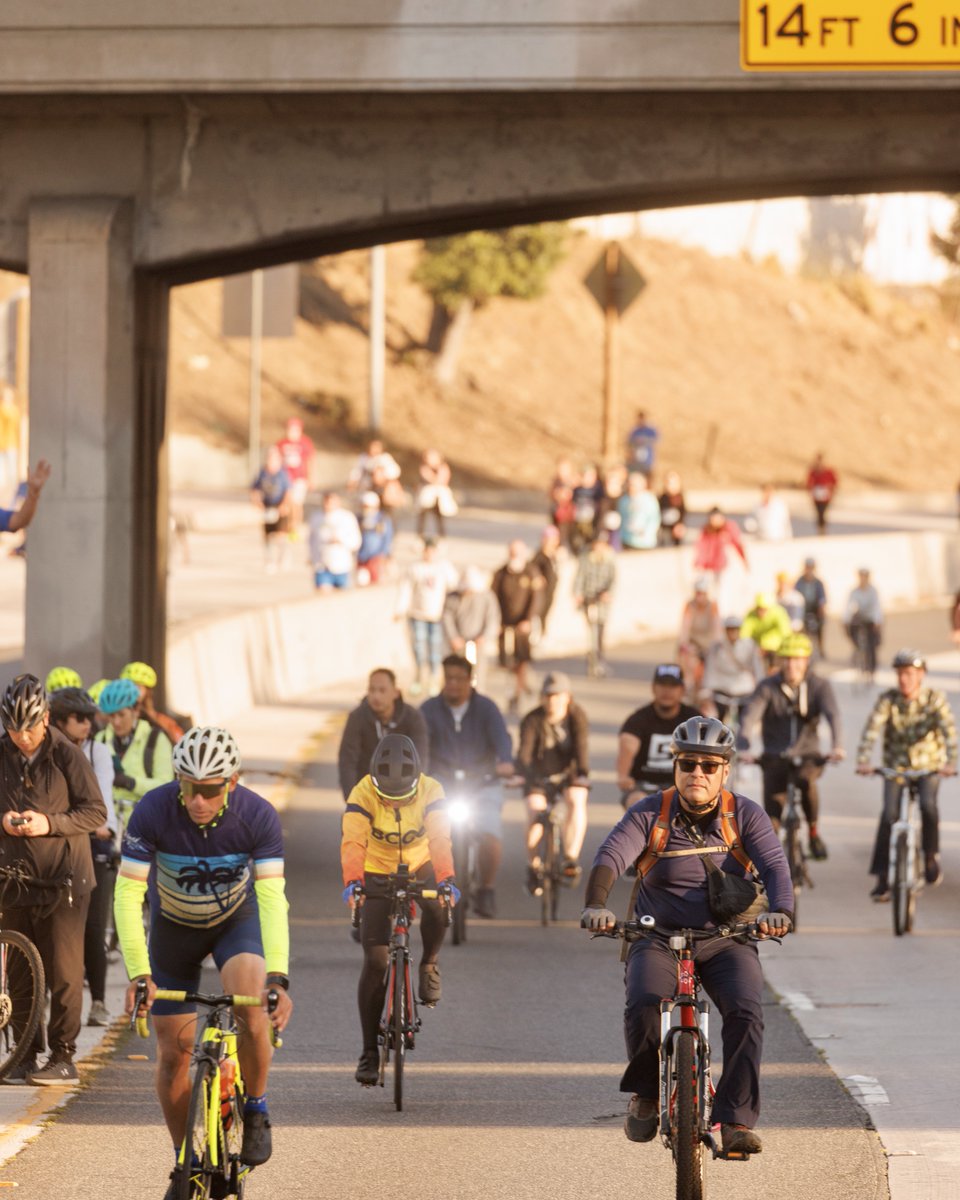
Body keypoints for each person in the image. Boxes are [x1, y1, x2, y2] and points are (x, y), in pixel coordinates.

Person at [581, 717, 792, 1154]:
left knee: (746, 1012)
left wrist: (781, 911)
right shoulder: (649, 812)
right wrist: (596, 905)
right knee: (643, 1001)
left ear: (724, 772)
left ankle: (734, 1120)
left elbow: (774, 865)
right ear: (675, 767)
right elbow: (611, 854)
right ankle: (646, 1093)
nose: (698, 773)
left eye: (709, 766)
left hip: (724, 937)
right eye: (689, 763)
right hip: (657, 936)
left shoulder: (744, 814)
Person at [116, 726, 292, 1196]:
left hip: (236, 923)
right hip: (173, 929)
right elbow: (128, 893)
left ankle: (255, 1105)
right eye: (187, 787)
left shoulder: (258, 815)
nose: (196, 799)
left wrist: (278, 977)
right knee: (172, 1054)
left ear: (231, 783)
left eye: (209, 790)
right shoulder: (153, 809)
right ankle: (183, 1160)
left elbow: (272, 899)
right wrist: (139, 973)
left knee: (251, 1004)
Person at [0, 674, 107, 1085]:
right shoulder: (3, 752)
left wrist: (49, 823)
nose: (21, 736)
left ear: (45, 718)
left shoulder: (67, 755)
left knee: (63, 973)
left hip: (64, 881)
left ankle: (63, 1056)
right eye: (13, 728)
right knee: (21, 974)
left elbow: (95, 812)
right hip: (15, 879)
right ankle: (24, 1053)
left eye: (28, 727)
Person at [341, 734, 456, 1086]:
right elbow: (353, 841)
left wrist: (447, 879)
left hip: (422, 863)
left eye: (402, 796)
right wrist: (354, 882)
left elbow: (439, 838)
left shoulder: (431, 790)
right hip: (376, 869)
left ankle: (429, 963)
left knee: (438, 907)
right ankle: (368, 1051)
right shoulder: (362, 792)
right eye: (387, 796)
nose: (394, 801)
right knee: (375, 960)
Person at [856, 650, 957, 896]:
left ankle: (931, 856)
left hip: (928, 767)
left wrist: (950, 763)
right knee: (889, 814)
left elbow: (948, 732)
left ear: (920, 675)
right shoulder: (888, 700)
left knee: (928, 805)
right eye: (900, 674)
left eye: (909, 674)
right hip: (896, 768)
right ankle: (882, 876)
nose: (904, 679)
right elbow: (872, 729)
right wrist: (863, 760)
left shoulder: (935, 699)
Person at [420, 655, 515, 919]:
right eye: (448, 678)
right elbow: (420, 744)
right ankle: (433, 882)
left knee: (489, 832)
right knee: (429, 833)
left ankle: (486, 888)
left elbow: (502, 740)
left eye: (459, 679)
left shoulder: (487, 708)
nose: (453, 684)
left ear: (470, 680)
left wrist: (506, 762)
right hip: (442, 784)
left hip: (482, 783)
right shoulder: (428, 709)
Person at [738, 633, 844, 860]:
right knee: (772, 815)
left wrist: (837, 746)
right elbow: (750, 715)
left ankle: (813, 832)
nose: (791, 665)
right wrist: (744, 745)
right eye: (786, 659)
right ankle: (773, 863)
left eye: (797, 659)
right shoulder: (768, 687)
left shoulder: (819, 686)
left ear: (807, 661)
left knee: (806, 781)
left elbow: (832, 714)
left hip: (808, 754)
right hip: (775, 755)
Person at [48, 687, 118, 1029]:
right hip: (56, 845)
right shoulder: (47, 752)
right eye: (79, 718)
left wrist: (102, 826)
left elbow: (101, 798)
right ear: (60, 721)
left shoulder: (97, 751)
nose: (87, 724)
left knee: (93, 930)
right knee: (54, 930)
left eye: (90, 717)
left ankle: (100, 1002)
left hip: (94, 845)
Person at [516, 673, 590, 890]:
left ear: (568, 697)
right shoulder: (532, 719)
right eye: (547, 695)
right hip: (538, 776)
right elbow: (524, 755)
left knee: (577, 799)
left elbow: (581, 748)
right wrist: (524, 776)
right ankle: (534, 866)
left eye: (557, 695)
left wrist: (583, 773)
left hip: (568, 775)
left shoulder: (577, 717)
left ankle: (570, 859)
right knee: (535, 812)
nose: (552, 701)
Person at [337, 668, 429, 802]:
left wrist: (414, 796)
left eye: (382, 690)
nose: (376, 696)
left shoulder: (413, 717)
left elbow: (421, 758)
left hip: (404, 795)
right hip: (367, 795)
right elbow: (347, 761)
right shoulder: (357, 718)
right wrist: (353, 801)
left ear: (396, 692)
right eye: (372, 690)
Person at [96, 678, 175, 828]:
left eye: (121, 715)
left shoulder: (156, 739)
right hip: (108, 827)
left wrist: (130, 782)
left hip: (145, 826)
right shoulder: (100, 739)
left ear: (136, 711)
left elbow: (166, 788)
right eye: (111, 716)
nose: (116, 722)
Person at [616, 665, 700, 805]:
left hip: (684, 784)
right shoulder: (638, 719)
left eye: (673, 686)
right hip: (643, 786)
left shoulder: (694, 719)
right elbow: (627, 744)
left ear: (682, 690)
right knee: (639, 804)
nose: (667, 691)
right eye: (662, 685)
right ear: (653, 688)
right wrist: (623, 776)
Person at [395, 538, 459, 696]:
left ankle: (433, 678)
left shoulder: (442, 568)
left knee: (435, 648)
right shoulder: (416, 568)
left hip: (436, 615)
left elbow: (453, 582)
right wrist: (400, 609)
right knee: (419, 647)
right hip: (417, 614)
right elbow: (406, 589)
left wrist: (444, 560)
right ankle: (418, 676)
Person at [491, 540, 546, 714]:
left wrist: (529, 619)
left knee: (521, 660)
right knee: (506, 661)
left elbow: (537, 598)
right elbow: (493, 597)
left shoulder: (531, 572)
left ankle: (518, 691)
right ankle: (517, 687)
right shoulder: (501, 573)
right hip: (505, 625)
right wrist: (496, 621)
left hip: (523, 626)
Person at [441, 566, 500, 693]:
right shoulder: (453, 597)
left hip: (478, 643)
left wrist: (485, 636)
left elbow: (493, 618)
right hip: (459, 644)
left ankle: (477, 696)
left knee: (478, 674)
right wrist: (453, 637)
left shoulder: (487, 596)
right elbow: (447, 617)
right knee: (456, 672)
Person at [701, 616, 764, 722]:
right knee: (716, 724)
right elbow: (710, 669)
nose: (733, 632)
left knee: (745, 723)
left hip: (744, 690)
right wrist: (707, 690)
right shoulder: (717, 647)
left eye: (735, 629)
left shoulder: (749, 645)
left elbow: (757, 668)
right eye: (730, 629)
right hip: (722, 690)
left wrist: (761, 688)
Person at [573, 530, 617, 678]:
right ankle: (592, 662)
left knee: (601, 631)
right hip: (590, 600)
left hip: (603, 602)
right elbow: (580, 577)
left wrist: (608, 593)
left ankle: (601, 659)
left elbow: (613, 579)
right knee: (592, 632)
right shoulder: (586, 558)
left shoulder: (609, 559)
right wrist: (578, 593)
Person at [120, 661, 187, 745]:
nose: (132, 691)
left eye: (138, 687)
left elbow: (180, 745)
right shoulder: (115, 720)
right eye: (128, 687)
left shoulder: (164, 722)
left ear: (147, 692)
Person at [250, 446, 292, 573]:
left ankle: (283, 558)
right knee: (267, 535)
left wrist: (284, 505)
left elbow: (288, 491)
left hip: (280, 506)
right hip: (267, 506)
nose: (271, 461)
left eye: (273, 458)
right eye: (269, 458)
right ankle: (269, 560)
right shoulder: (262, 473)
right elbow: (254, 489)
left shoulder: (282, 474)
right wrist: (257, 502)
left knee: (281, 535)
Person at [308, 491, 362, 591]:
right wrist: (311, 556)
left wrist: (341, 541)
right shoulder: (316, 518)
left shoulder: (347, 517)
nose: (328, 505)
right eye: (326, 502)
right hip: (322, 565)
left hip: (341, 566)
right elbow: (311, 539)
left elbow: (356, 541)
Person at [693, 507, 747, 602]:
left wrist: (744, 561)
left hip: (724, 566)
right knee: (707, 591)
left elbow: (738, 544)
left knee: (722, 592)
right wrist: (699, 563)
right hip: (709, 566)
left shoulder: (729, 528)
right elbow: (701, 547)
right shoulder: (706, 530)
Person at [678, 578, 721, 695]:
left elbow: (717, 628)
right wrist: (684, 644)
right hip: (694, 644)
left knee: (713, 669)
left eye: (702, 594)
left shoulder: (712, 606)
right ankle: (687, 689)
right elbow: (685, 627)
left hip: (708, 645)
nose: (699, 597)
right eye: (697, 593)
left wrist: (716, 645)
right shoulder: (690, 606)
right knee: (688, 667)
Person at [274, 416, 315, 531]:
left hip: (299, 478)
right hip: (285, 478)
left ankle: (295, 526)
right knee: (287, 503)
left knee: (297, 503)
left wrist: (309, 478)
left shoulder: (305, 442)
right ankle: (288, 525)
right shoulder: (281, 443)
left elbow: (309, 461)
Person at [844, 568, 883, 679]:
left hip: (871, 619)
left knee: (872, 643)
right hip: (860, 617)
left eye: (864, 577)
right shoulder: (854, 591)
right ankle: (857, 648)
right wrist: (846, 620)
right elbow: (849, 607)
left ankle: (872, 666)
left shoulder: (873, 591)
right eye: (861, 577)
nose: (863, 579)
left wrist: (876, 621)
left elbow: (877, 608)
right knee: (851, 628)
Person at [740, 592, 793, 670]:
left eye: (764, 609)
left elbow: (785, 631)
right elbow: (744, 634)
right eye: (759, 609)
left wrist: (785, 647)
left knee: (775, 665)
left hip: (775, 646)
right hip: (757, 647)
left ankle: (774, 672)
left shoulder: (778, 612)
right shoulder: (751, 614)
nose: (761, 612)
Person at [415, 448, 456, 539]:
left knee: (439, 516)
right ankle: (420, 534)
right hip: (426, 496)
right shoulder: (424, 467)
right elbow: (428, 478)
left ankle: (441, 535)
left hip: (439, 496)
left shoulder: (443, 467)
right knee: (423, 515)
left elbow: (442, 480)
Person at [355, 492, 394, 586]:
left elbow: (387, 538)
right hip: (362, 557)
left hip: (376, 557)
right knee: (362, 581)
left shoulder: (383, 519)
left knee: (376, 582)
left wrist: (385, 556)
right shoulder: (359, 518)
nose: (366, 509)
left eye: (368, 506)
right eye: (364, 506)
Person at [618, 471, 661, 551]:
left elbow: (654, 519)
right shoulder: (624, 500)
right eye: (630, 484)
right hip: (627, 540)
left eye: (634, 484)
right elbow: (621, 518)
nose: (631, 486)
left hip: (645, 542)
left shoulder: (649, 499)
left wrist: (647, 532)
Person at [531, 525, 561, 637]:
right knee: (540, 615)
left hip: (550, 591)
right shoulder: (539, 556)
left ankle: (543, 634)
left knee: (546, 614)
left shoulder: (554, 556)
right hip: (541, 593)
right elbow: (532, 569)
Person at [795, 558, 827, 657]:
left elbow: (822, 597)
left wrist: (821, 608)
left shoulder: (818, 583)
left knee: (820, 625)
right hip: (803, 607)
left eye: (811, 568)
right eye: (807, 567)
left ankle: (821, 647)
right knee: (800, 627)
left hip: (815, 607)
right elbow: (795, 595)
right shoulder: (800, 582)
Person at [570, 464, 605, 553]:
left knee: (590, 538)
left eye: (591, 476)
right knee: (578, 539)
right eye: (585, 475)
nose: (587, 478)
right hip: (579, 519)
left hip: (592, 520)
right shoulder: (577, 489)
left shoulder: (598, 490)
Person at [806, 453, 838, 535]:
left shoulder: (828, 471)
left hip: (825, 496)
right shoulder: (813, 471)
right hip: (816, 496)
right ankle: (820, 527)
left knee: (823, 511)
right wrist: (810, 491)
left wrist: (831, 490)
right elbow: (809, 482)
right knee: (818, 512)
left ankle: (823, 527)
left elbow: (834, 482)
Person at [0, 387, 19, 507]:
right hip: (3, 444)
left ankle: (12, 498)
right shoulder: (4, 410)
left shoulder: (12, 410)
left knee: (11, 473)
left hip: (11, 444)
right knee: (2, 475)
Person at [658, 469, 687, 547]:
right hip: (664, 529)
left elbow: (683, 513)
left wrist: (680, 525)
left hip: (676, 530)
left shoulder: (680, 498)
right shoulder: (662, 498)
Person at [626, 409, 659, 476]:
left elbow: (656, 440)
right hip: (635, 461)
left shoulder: (651, 431)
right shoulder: (634, 431)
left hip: (647, 462)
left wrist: (643, 441)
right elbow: (629, 444)